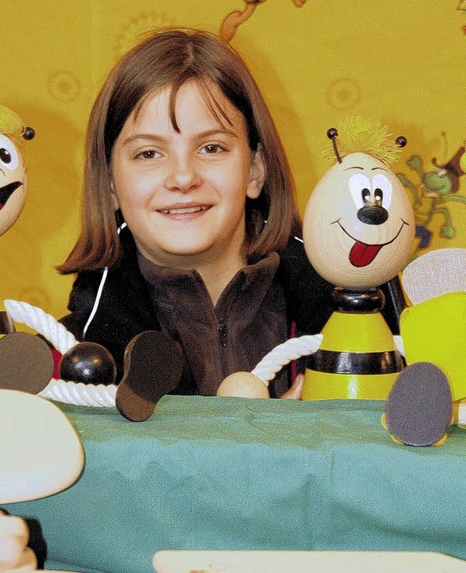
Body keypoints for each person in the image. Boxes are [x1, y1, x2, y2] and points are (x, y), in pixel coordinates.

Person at [58, 28, 333, 399]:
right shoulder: (68, 367)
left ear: (254, 170)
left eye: (212, 147)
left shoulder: (359, 328)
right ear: (110, 184)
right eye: (148, 154)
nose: (183, 177)